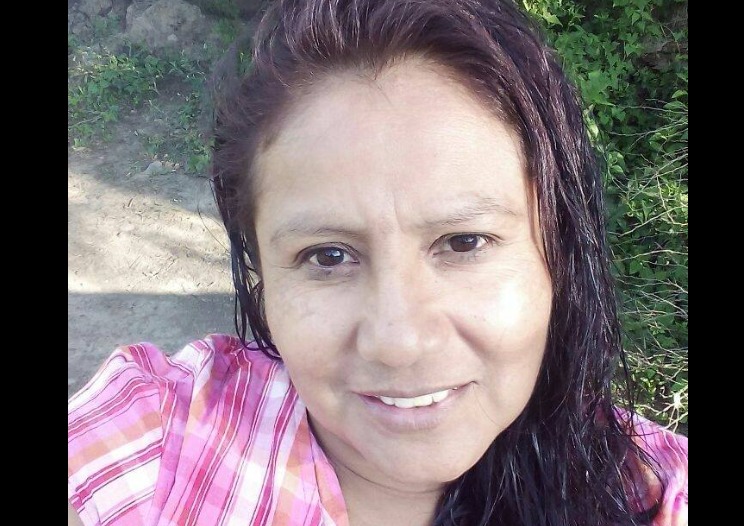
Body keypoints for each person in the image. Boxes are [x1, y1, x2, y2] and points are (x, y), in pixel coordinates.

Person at [67, 0, 688, 524]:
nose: (398, 343)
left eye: (463, 243)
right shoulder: (158, 450)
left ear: (559, 250)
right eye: (328, 255)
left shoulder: (656, 496)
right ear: (261, 279)